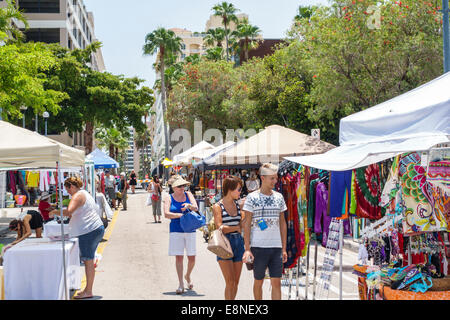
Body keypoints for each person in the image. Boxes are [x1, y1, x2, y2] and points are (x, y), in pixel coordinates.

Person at [48, 176, 105, 299]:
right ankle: (87, 289)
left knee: (88, 260)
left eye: (67, 189)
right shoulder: (84, 193)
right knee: (88, 259)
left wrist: (54, 212)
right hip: (93, 229)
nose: (67, 192)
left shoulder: (77, 196)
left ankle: (88, 291)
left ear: (72, 186)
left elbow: (69, 212)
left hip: (88, 231)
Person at [242, 163, 288, 300]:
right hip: (258, 247)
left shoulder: (279, 197)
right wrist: (247, 249)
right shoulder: (252, 198)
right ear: (263, 178)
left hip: (276, 247)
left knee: (276, 283)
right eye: (272, 178)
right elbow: (246, 224)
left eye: (276, 178)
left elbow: (283, 223)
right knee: (258, 281)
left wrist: (284, 248)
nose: (275, 181)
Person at [163, 175, 199, 295]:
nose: (182, 188)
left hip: (189, 228)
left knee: (192, 258)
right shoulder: (169, 197)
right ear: (173, 187)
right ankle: (181, 284)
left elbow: (196, 207)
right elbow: (166, 214)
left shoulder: (188, 195)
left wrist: (189, 206)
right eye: (179, 186)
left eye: (183, 185)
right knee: (179, 257)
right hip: (176, 229)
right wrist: (179, 215)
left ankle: (187, 275)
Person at [212, 176, 245, 300]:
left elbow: (242, 224)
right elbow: (219, 227)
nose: (240, 192)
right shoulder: (218, 206)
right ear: (230, 189)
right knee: (230, 282)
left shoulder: (238, 205)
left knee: (235, 283)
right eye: (238, 189)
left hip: (238, 243)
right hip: (224, 243)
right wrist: (236, 228)